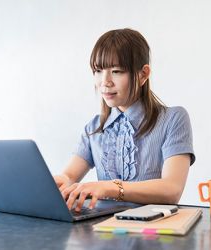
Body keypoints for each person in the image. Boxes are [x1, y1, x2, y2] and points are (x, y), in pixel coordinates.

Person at [54, 28, 195, 212]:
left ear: (143, 74)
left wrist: (110, 187)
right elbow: (69, 175)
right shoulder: (95, 127)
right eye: (98, 70)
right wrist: (62, 181)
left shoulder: (173, 119)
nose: (105, 81)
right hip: (103, 230)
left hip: (153, 232)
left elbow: (172, 189)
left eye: (117, 71)